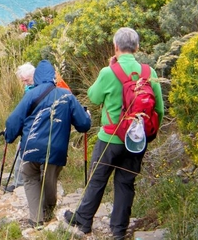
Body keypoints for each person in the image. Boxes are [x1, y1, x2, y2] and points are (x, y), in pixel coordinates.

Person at [64, 27, 164, 240]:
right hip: (136, 139)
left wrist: (109, 70)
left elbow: (93, 96)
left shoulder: (109, 72)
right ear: (137, 47)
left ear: (115, 47)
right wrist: (147, 134)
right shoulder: (149, 72)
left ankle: (83, 221)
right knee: (126, 182)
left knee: (97, 179)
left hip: (110, 138)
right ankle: (118, 231)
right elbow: (160, 110)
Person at [5, 60, 91, 228]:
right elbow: (83, 125)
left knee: (29, 177)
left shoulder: (30, 94)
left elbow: (13, 120)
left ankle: (36, 220)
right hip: (56, 150)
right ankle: (49, 210)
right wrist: (87, 116)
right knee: (50, 179)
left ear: (36, 77)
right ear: (53, 77)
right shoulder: (67, 95)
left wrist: (9, 136)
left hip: (30, 147)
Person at [5, 62, 37, 193]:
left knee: (22, 155)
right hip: (28, 127)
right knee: (19, 154)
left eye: (27, 80)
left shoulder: (37, 89)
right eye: (23, 81)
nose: (25, 83)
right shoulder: (29, 89)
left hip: (33, 128)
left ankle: (19, 185)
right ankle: (17, 183)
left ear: (33, 75)